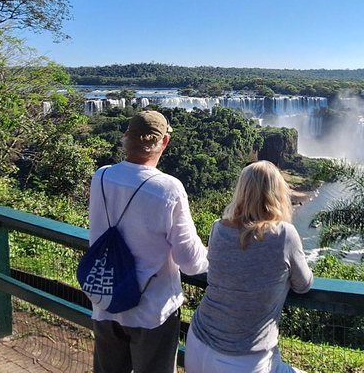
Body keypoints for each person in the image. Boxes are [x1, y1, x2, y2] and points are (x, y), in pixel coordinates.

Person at [88, 110, 209, 373]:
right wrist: (209, 255)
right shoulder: (168, 188)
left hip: (106, 300)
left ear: (126, 137)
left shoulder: (102, 176)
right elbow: (190, 261)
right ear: (164, 142)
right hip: (152, 311)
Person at [186, 160, 313, 373]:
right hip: (244, 358)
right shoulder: (284, 234)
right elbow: (304, 285)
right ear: (277, 193)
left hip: (197, 344)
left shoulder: (218, 228)